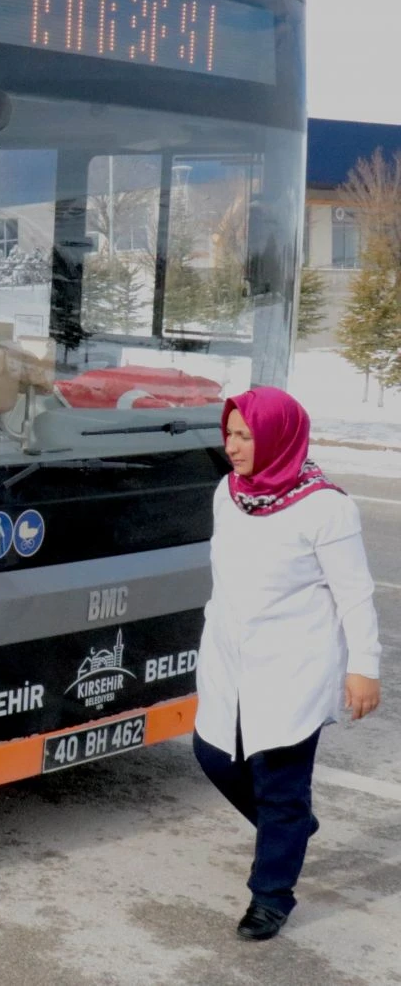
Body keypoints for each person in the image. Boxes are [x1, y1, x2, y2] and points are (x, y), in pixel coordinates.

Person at [192, 386, 382, 941]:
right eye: (229, 434)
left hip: (292, 667)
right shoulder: (229, 492)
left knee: (279, 784)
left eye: (245, 436)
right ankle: (292, 828)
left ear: (278, 438)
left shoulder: (327, 508)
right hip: (230, 659)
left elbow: (355, 594)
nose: (232, 446)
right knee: (212, 754)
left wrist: (364, 667)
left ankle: (270, 896)